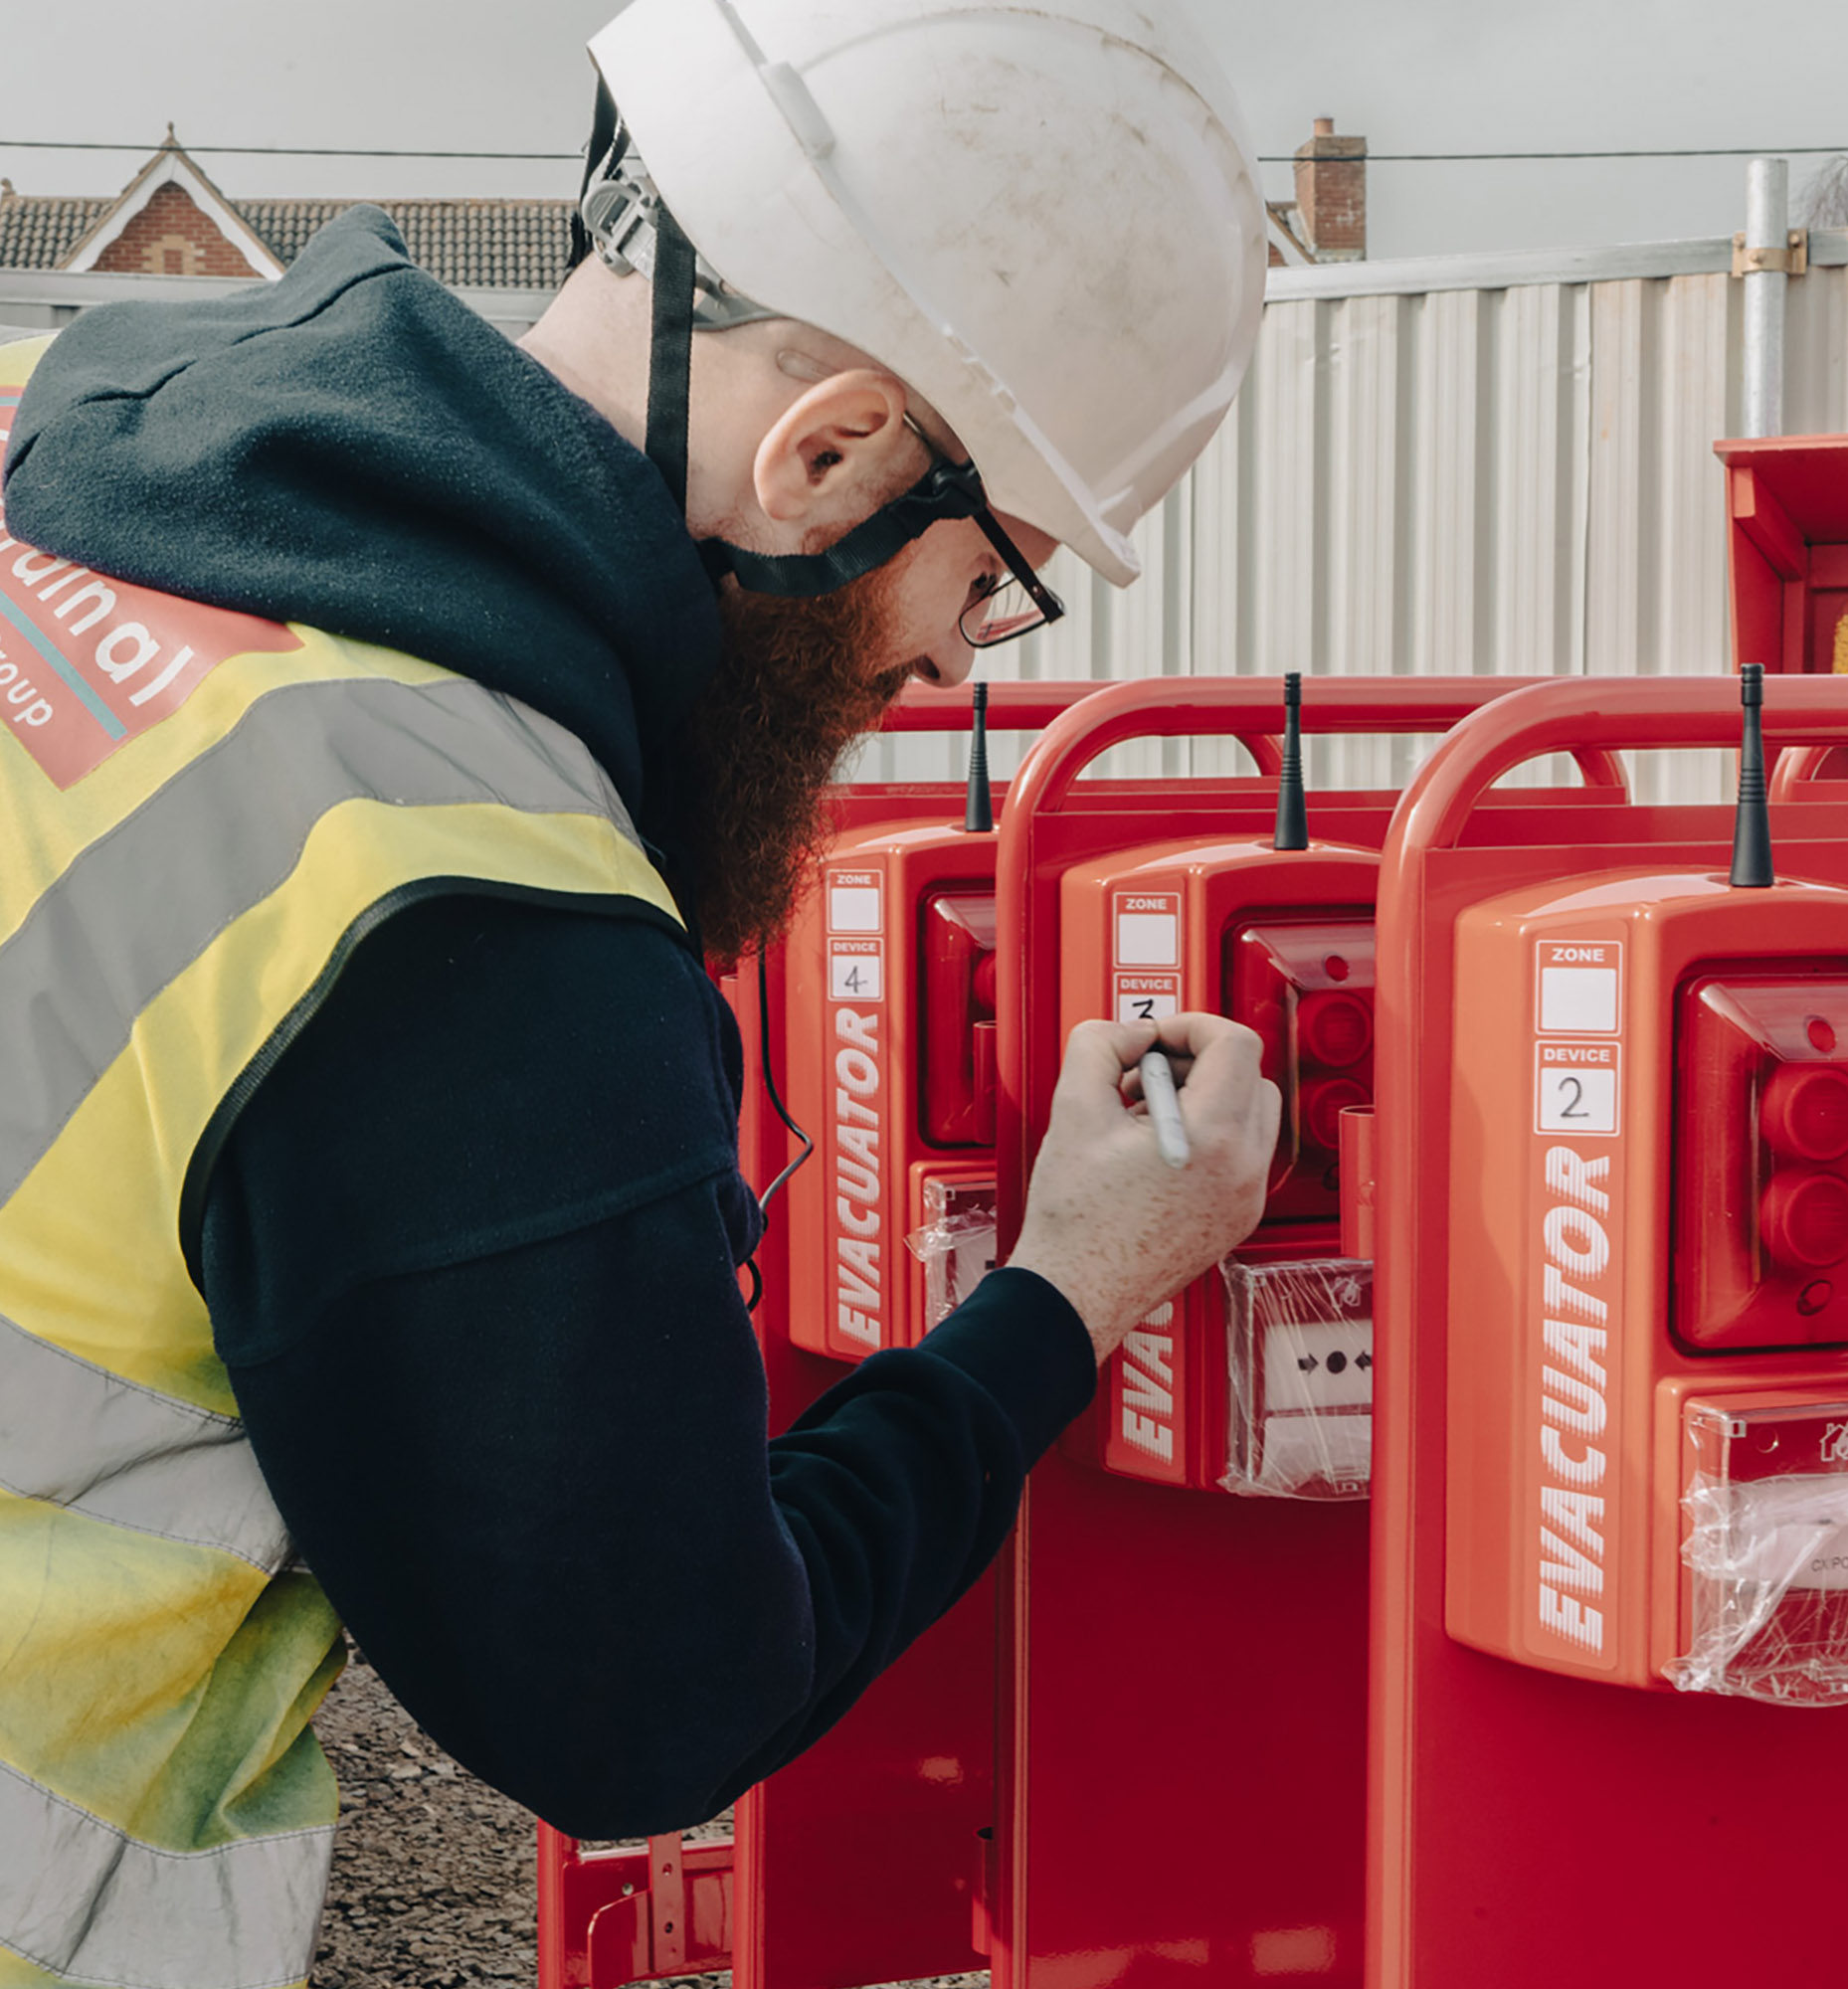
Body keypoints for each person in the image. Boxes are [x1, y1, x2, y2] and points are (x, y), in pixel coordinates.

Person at [0, 2, 1275, 1984]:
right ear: (831, 450)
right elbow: (644, 1703)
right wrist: (1069, 1292)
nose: (955, 669)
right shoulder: (462, 910)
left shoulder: (51, 439)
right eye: (989, 577)